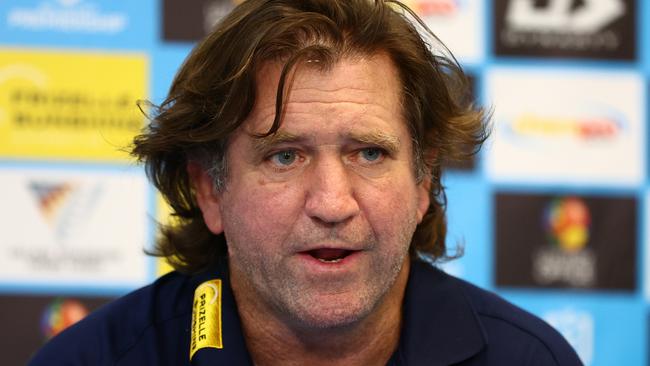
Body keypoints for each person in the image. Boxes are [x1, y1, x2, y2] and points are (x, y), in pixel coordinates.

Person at [30, 0, 583, 365]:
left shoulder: (530, 358)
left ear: (423, 182)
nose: (332, 203)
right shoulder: (93, 359)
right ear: (209, 190)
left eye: (369, 152)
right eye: (285, 156)